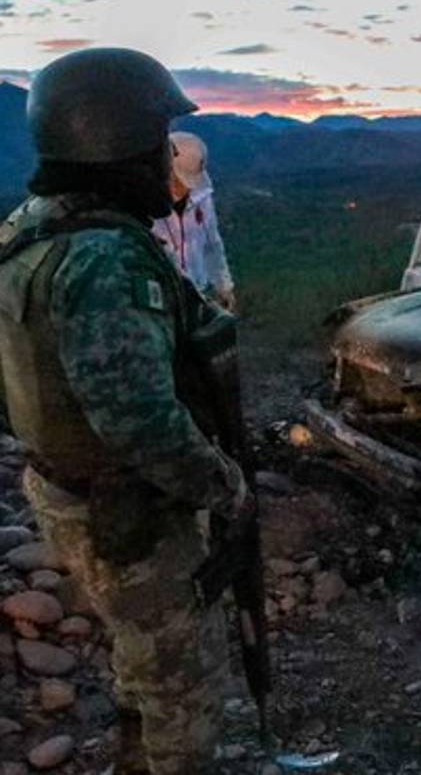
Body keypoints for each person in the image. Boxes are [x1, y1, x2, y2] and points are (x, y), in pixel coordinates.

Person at [0, 48, 247, 774]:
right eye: (157, 141)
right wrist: (224, 485)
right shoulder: (105, 258)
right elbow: (139, 422)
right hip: (126, 509)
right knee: (185, 692)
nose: (165, 158)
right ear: (115, 145)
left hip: (68, 488)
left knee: (144, 660)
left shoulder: (30, 228)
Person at [153, 130, 236, 312]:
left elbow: (212, 243)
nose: (182, 188)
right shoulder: (146, 204)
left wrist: (223, 285)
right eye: (176, 180)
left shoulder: (202, 197)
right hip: (163, 298)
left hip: (198, 293)